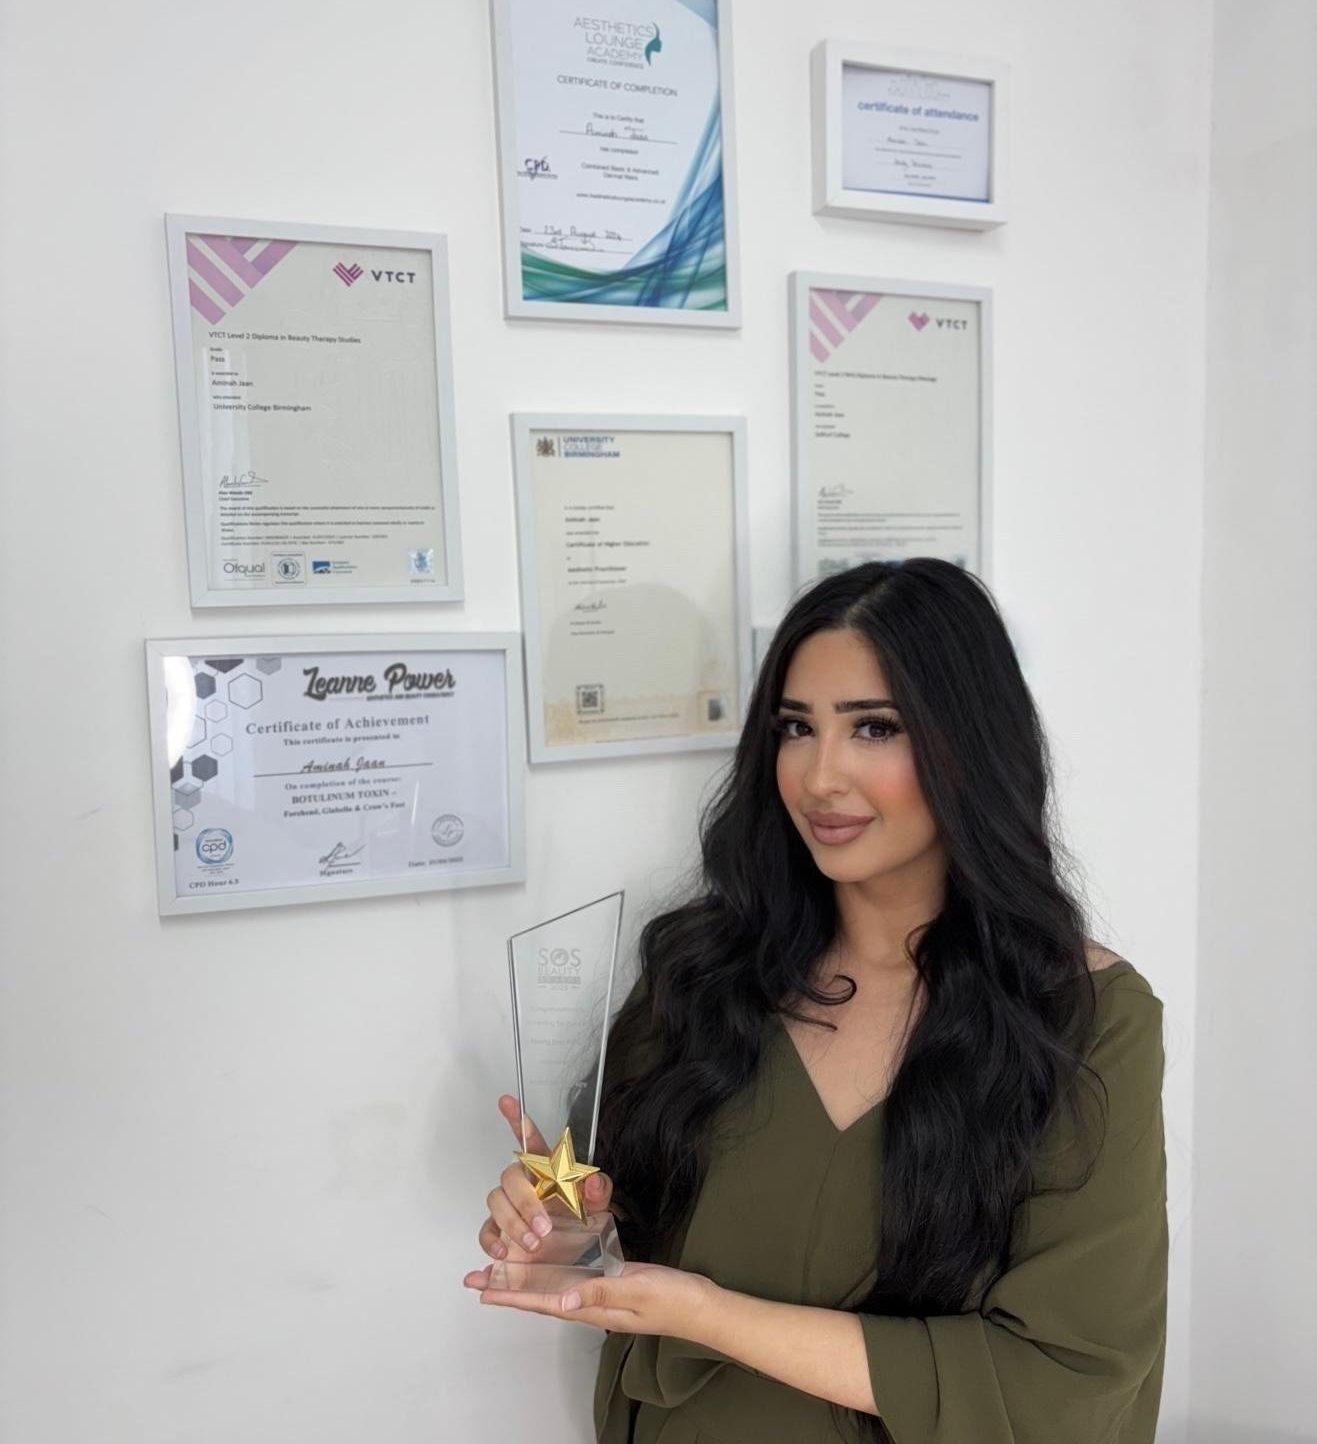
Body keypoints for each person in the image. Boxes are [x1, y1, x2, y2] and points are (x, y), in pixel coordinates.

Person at [464, 558, 1168, 1443]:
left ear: (968, 746)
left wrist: (711, 1317)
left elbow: (1065, 1377)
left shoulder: (1086, 1019)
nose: (820, 776)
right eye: (796, 728)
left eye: (874, 728)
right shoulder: (702, 974)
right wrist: (568, 1234)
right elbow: (620, 1247)